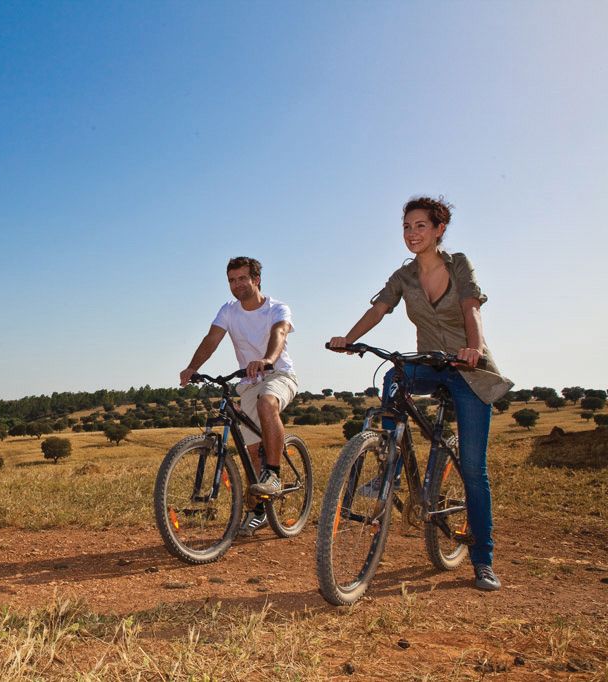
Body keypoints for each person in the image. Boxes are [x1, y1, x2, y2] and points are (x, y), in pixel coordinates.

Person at [328, 196, 512, 591]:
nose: (412, 233)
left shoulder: (459, 264)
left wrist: (474, 348)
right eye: (407, 227)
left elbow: (471, 309)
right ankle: (388, 464)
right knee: (394, 377)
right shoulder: (405, 276)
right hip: (430, 364)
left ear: (439, 229)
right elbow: (379, 309)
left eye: (420, 226)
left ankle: (483, 560)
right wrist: (349, 338)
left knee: (474, 472)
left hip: (468, 369)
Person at [180, 256, 298, 534]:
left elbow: (279, 333)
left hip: (278, 373)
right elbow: (212, 338)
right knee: (252, 451)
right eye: (232, 280)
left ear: (256, 279)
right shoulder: (229, 311)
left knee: (268, 403)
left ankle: (275, 475)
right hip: (247, 382)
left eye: (242, 278)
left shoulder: (276, 308)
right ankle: (259, 511)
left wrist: (268, 359)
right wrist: (193, 367)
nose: (236, 285)